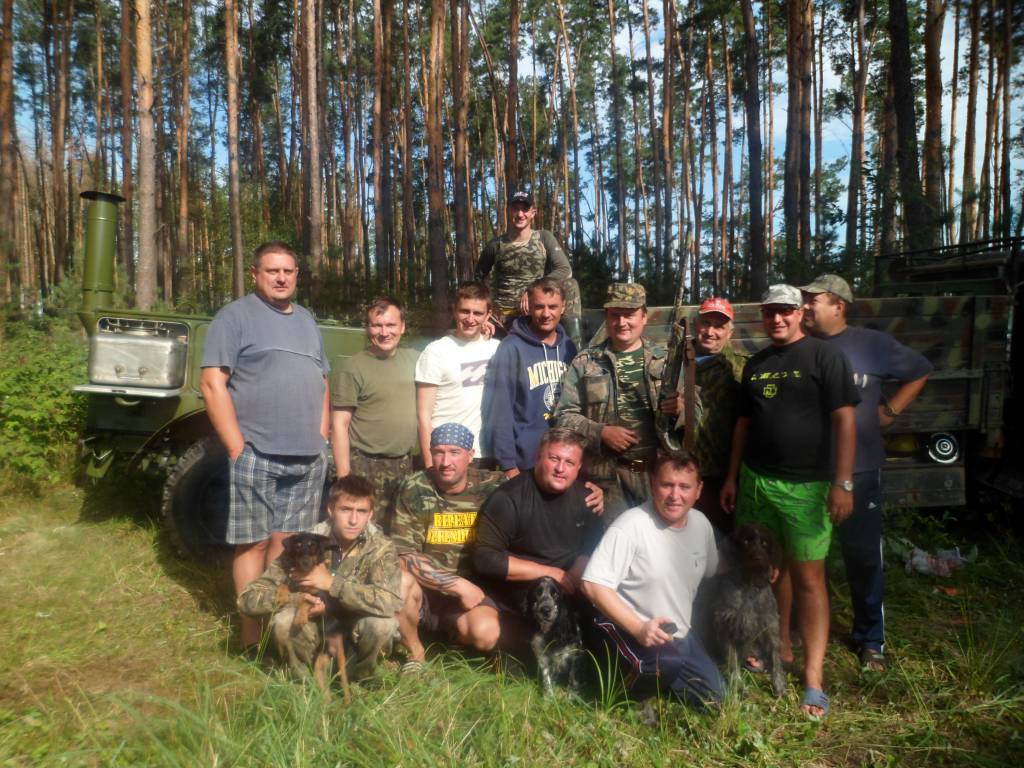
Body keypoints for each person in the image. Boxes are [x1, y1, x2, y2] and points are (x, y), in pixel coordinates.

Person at [720, 283, 860, 718]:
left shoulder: (824, 357)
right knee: (769, 570)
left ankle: (814, 679)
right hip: (757, 481)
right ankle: (779, 646)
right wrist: (732, 478)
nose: (777, 319)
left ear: (800, 313)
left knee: (809, 579)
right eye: (769, 312)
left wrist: (843, 482)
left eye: (785, 311)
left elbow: (845, 421)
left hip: (807, 487)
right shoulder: (757, 363)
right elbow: (743, 425)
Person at [200, 241, 330, 654]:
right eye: (272, 270)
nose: (281, 278)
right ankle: (250, 636)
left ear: (296, 276)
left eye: (288, 271)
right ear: (255, 273)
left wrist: (322, 437)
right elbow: (212, 383)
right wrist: (236, 447)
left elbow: (322, 381)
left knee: (285, 543)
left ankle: (280, 630)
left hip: (307, 456)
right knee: (253, 542)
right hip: (257, 451)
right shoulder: (235, 317)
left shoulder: (306, 320)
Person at [800, 273, 932, 672]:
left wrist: (890, 410)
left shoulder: (872, 344)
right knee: (807, 559)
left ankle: (870, 638)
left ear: (838, 306)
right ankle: (805, 630)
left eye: (813, 301)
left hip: (860, 472)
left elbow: (920, 369)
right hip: (808, 473)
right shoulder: (799, 345)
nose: (805, 307)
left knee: (863, 558)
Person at [581, 451, 724, 711]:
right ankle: (618, 693)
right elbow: (592, 585)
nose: (675, 495)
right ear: (652, 483)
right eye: (667, 485)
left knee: (715, 698)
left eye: (684, 487)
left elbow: (713, 570)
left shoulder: (702, 525)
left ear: (699, 490)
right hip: (628, 629)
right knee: (663, 665)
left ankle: (659, 678)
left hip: (677, 634)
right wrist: (638, 628)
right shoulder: (630, 525)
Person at [237, 475, 402, 681]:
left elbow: (390, 602)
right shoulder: (304, 543)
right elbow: (247, 599)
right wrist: (296, 599)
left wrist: (332, 584)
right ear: (331, 510)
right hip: (312, 627)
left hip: (356, 626)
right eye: (345, 510)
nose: (353, 520)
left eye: (361, 511)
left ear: (370, 515)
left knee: (383, 625)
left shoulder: (381, 547)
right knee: (284, 621)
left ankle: (361, 678)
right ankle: (301, 681)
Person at [385, 423, 507, 665]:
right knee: (398, 581)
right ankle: (415, 653)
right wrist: (459, 585)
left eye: (454, 452)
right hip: (424, 590)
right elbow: (404, 556)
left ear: (470, 456)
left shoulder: (492, 485)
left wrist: (585, 490)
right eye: (438, 452)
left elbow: (536, 488)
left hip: (473, 592)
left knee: (486, 633)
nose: (445, 462)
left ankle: (448, 639)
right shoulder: (415, 487)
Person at [554, 283, 667, 519]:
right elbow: (563, 417)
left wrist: (682, 409)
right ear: (606, 317)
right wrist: (600, 432)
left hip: (655, 478)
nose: (622, 322)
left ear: (644, 317)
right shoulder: (586, 362)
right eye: (615, 315)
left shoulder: (664, 362)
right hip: (604, 483)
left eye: (629, 315)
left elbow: (694, 413)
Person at [471, 428, 604, 616]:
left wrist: (573, 576)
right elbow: (484, 558)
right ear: (538, 457)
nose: (560, 469)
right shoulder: (508, 498)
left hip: (570, 588)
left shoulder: (589, 499)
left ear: (578, 467)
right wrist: (550, 573)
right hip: (522, 593)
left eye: (569, 462)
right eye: (554, 459)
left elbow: (593, 546)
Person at [661, 297, 747, 533]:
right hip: (677, 472)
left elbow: (745, 424)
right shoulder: (672, 362)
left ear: (730, 332)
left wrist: (732, 478)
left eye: (719, 326)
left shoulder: (739, 369)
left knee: (718, 540)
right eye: (706, 323)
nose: (710, 332)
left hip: (719, 476)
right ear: (696, 324)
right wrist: (670, 409)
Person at [330, 296, 419, 516]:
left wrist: (483, 331)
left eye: (391, 325)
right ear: (368, 328)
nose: (384, 332)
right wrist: (344, 478)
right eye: (377, 325)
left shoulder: (417, 361)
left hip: (406, 466)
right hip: (365, 466)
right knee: (362, 529)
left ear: (403, 326)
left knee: (400, 531)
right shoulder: (352, 367)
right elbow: (339, 425)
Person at [482, 277, 577, 477]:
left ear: (563, 307)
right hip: (525, 463)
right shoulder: (511, 348)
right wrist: (508, 464)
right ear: (529, 307)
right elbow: (500, 409)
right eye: (539, 306)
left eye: (553, 306)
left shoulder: (570, 348)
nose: (546, 314)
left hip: (563, 463)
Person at [416, 282, 501, 466]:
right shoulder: (436, 351)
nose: (470, 318)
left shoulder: (497, 349)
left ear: (488, 315)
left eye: (477, 313)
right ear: (454, 311)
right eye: (464, 311)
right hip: (446, 455)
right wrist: (430, 465)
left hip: (485, 454)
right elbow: (423, 416)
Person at [476, 190, 572, 321]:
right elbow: (478, 278)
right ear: (508, 212)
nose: (520, 214)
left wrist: (533, 289)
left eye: (525, 209)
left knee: (571, 284)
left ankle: (572, 332)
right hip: (503, 315)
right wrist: (485, 309)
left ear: (533, 213)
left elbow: (565, 270)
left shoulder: (544, 238)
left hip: (535, 313)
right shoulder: (496, 245)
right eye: (515, 209)